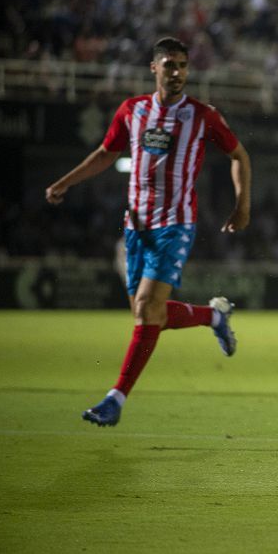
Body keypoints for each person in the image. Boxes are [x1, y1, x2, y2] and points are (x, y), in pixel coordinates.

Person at [45, 36, 252, 427]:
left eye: (182, 66)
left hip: (176, 225)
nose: (176, 73)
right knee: (149, 316)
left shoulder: (202, 116)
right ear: (153, 68)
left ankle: (115, 400)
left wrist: (242, 206)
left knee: (146, 310)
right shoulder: (132, 110)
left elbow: (239, 155)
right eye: (169, 65)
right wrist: (66, 182)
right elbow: (106, 154)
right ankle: (213, 317)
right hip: (136, 226)